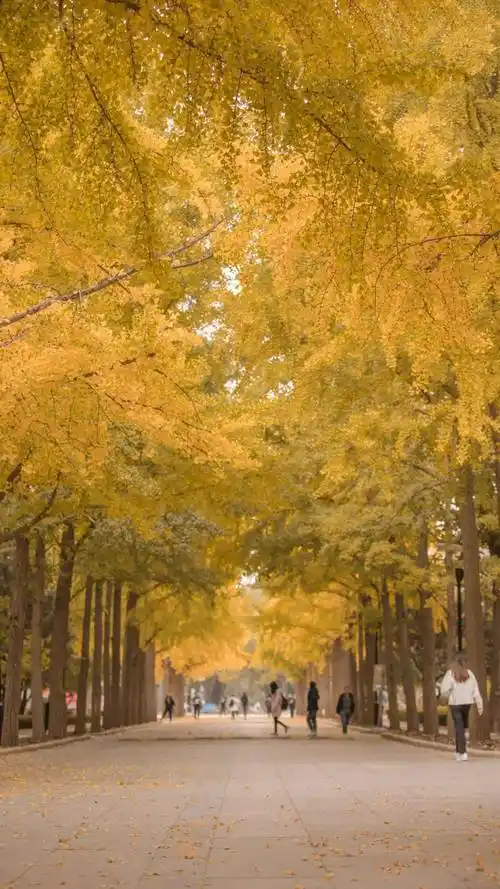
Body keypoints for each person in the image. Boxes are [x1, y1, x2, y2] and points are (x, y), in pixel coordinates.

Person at [440, 654, 483, 761]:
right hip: (467, 704)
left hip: (455, 704)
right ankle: (458, 751)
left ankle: (462, 753)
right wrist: (479, 704)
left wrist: (445, 695)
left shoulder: (450, 674)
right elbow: (475, 690)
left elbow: (444, 689)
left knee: (459, 727)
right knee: (462, 727)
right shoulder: (469, 674)